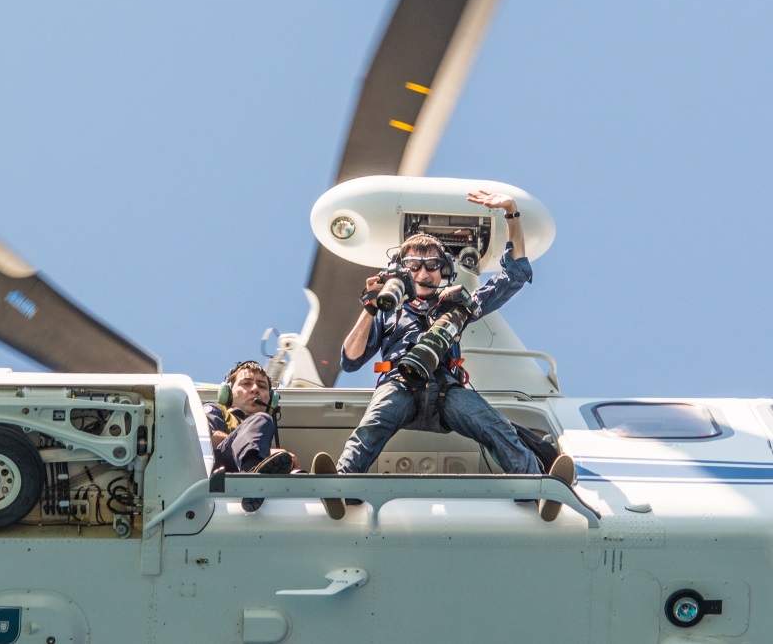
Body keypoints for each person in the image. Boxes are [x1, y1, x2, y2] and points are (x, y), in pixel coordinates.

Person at [337, 189, 574, 522]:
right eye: (414, 266)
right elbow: (350, 359)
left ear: (442, 270)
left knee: (497, 429)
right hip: (399, 384)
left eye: (432, 265)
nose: (424, 273)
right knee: (368, 431)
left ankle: (537, 489)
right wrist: (371, 306)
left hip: (446, 389)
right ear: (404, 271)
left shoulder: (456, 306)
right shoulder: (390, 311)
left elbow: (514, 276)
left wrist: (512, 213)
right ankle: (340, 488)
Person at [204, 360, 344, 518]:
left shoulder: (262, 428)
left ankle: (315, 489)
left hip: (253, 474)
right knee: (262, 420)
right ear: (228, 393)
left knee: (289, 466)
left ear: (270, 398)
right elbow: (206, 442)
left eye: (262, 386)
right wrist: (268, 452)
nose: (255, 389)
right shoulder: (214, 409)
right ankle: (251, 479)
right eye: (246, 384)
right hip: (220, 469)